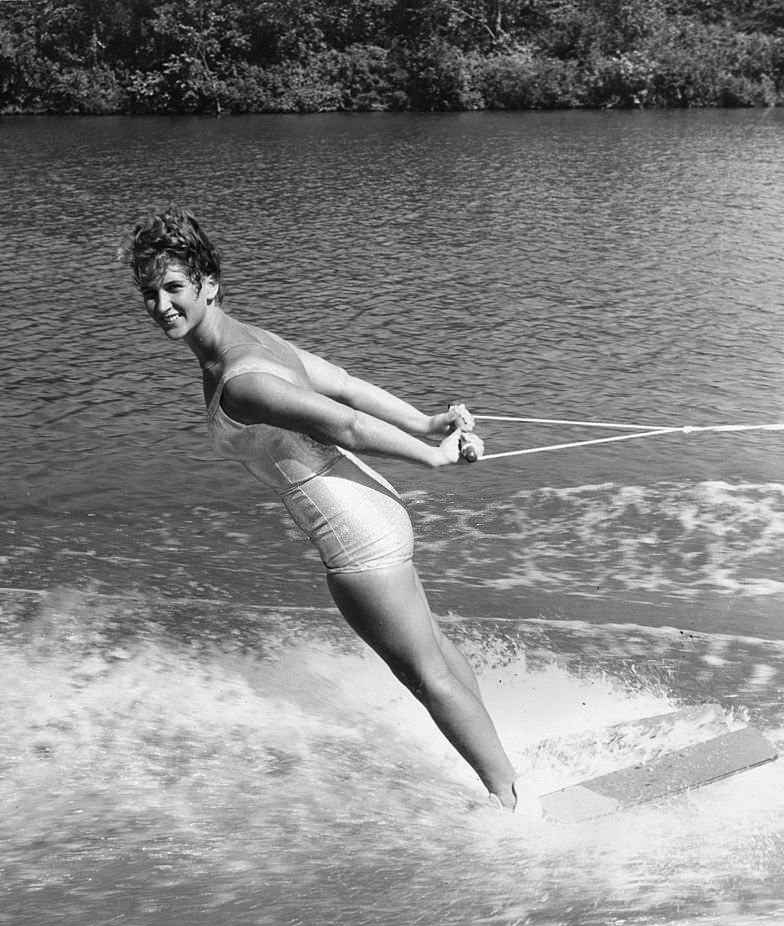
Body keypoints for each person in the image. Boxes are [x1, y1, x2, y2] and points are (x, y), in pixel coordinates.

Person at [121, 206, 539, 816]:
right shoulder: (253, 340)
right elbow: (341, 381)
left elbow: (342, 418)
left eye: (175, 288)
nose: (161, 304)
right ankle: (505, 766)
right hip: (371, 509)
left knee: (427, 677)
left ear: (209, 284)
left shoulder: (239, 380)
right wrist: (424, 421)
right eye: (151, 292)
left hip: (353, 538)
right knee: (438, 657)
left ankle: (513, 804)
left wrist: (432, 455)